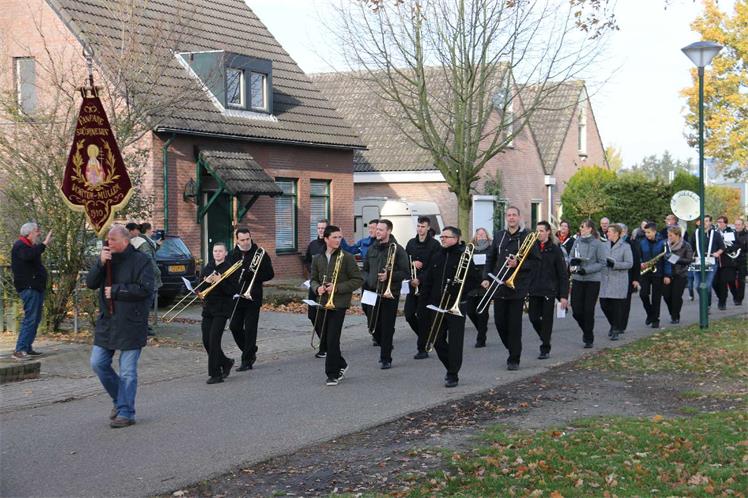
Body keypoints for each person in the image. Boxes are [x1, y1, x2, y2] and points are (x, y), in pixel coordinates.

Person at [86, 224, 153, 428]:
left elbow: (145, 289)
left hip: (131, 322)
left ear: (125, 241)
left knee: (127, 371)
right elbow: (91, 283)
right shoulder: (106, 260)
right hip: (108, 322)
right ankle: (120, 400)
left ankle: (126, 413)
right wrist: (100, 264)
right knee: (98, 363)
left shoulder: (142, 260)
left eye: (113, 239)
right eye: (108, 239)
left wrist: (116, 291)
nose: (109, 243)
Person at [420, 227, 480, 387]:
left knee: (455, 342)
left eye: (446, 237)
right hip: (437, 304)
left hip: (457, 304)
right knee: (436, 339)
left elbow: (475, 280)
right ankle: (451, 366)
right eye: (442, 237)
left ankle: (453, 374)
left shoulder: (464, 256)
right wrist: (424, 301)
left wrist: (459, 289)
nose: (443, 239)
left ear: (456, 239)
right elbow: (429, 279)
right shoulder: (437, 255)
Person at [482, 206, 540, 370]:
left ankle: (514, 358)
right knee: (499, 322)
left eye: (514, 215)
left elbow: (536, 262)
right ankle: (513, 348)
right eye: (509, 215)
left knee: (514, 324)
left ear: (519, 217)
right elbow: (490, 258)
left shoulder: (527, 236)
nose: (511, 218)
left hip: (517, 287)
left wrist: (518, 264)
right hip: (499, 285)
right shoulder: (499, 236)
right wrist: (486, 277)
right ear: (506, 218)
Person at [310, 225, 363, 386]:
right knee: (326, 339)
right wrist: (317, 288)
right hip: (322, 303)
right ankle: (341, 364)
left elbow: (357, 280)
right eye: (334, 237)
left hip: (339, 303)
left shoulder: (347, 257)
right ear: (326, 239)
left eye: (340, 237)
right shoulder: (317, 258)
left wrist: (337, 287)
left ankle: (332, 374)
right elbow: (313, 279)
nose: (338, 240)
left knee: (333, 338)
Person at [363, 219, 409, 369]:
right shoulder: (372, 248)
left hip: (390, 293)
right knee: (372, 325)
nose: (377, 232)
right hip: (372, 291)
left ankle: (385, 358)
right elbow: (365, 269)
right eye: (377, 229)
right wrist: (368, 280)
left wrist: (389, 276)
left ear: (388, 231)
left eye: (381, 230)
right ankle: (385, 344)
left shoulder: (398, 250)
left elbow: (405, 272)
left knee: (387, 326)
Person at [229, 228, 274, 371]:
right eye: (242, 240)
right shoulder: (232, 255)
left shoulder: (260, 253)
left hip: (253, 296)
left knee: (250, 329)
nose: (246, 242)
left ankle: (247, 360)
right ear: (237, 240)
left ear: (250, 237)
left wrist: (254, 276)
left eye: (247, 239)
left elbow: (270, 274)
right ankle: (250, 349)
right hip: (237, 297)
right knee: (234, 327)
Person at [10, 222, 52, 360]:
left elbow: (32, 255)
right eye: (36, 231)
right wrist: (44, 244)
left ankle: (27, 347)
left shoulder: (29, 246)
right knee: (30, 318)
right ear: (29, 233)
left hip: (35, 287)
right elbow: (28, 256)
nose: (38, 234)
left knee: (35, 318)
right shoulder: (20, 246)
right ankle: (20, 350)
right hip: (29, 287)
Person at [527, 221, 568, 359]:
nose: (539, 233)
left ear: (548, 232)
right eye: (537, 231)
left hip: (549, 290)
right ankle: (545, 337)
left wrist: (563, 296)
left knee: (547, 320)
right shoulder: (532, 248)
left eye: (542, 231)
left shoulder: (555, 250)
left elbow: (562, 274)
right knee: (533, 318)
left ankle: (545, 348)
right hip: (534, 289)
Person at [199, 242, 237, 384]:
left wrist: (220, 281)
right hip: (208, 308)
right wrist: (206, 282)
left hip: (222, 309)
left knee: (214, 340)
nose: (217, 253)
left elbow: (233, 290)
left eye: (220, 251)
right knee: (206, 340)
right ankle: (226, 362)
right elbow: (200, 288)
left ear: (225, 253)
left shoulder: (230, 269)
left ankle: (216, 374)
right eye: (215, 251)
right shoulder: (208, 267)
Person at [405, 216, 440, 359]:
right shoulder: (411, 243)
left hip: (427, 286)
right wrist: (412, 264)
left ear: (428, 228)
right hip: (412, 286)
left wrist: (420, 279)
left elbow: (434, 267)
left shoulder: (435, 245)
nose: (420, 229)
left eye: (423, 226)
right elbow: (404, 262)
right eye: (418, 226)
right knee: (409, 315)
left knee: (423, 317)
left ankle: (422, 349)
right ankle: (426, 336)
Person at [569, 219, 607, 348]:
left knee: (588, 310)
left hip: (592, 280)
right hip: (577, 279)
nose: (581, 229)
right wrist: (573, 263)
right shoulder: (577, 241)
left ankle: (588, 337)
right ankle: (586, 330)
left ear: (590, 229)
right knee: (576, 310)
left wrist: (587, 270)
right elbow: (571, 256)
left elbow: (602, 263)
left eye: (583, 227)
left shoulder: (598, 244)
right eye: (580, 227)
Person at [599, 224, 633, 341]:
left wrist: (615, 264)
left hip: (618, 280)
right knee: (604, 304)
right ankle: (614, 324)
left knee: (616, 306)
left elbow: (629, 263)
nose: (607, 233)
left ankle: (615, 329)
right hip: (605, 280)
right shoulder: (604, 245)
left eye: (609, 231)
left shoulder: (625, 246)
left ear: (616, 233)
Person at [129, 222, 162, 336]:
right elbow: (149, 258)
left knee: (143, 303)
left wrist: (157, 245)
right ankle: (143, 326)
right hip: (146, 277)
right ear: (147, 230)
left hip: (139, 276)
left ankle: (142, 325)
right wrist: (157, 271)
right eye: (152, 229)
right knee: (146, 302)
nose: (153, 232)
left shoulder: (141, 241)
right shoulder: (143, 243)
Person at [304, 218, 328, 357]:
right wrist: (312, 271)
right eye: (319, 228)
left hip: (325, 286)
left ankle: (325, 346)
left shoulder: (330, 245)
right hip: (313, 285)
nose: (320, 230)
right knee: (312, 315)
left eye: (323, 228)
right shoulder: (312, 244)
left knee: (324, 317)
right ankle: (324, 342)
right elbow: (307, 260)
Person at [662, 226, 693, 324]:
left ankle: (675, 316)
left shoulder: (686, 245)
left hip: (680, 274)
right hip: (667, 274)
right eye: (668, 235)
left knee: (676, 297)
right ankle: (673, 312)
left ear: (678, 235)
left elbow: (689, 260)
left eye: (671, 235)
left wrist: (675, 259)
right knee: (666, 296)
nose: (669, 237)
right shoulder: (665, 244)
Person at [466, 227, 491, 348]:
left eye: (483, 235)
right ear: (475, 237)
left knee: (482, 313)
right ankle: (482, 329)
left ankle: (481, 338)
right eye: (479, 235)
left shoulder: (491, 249)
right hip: (472, 285)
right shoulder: (470, 249)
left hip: (486, 285)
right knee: (470, 311)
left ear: (487, 236)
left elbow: (492, 265)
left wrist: (487, 279)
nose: (481, 237)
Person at [692, 215, 724, 310]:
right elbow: (691, 247)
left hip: (711, 262)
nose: (704, 223)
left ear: (710, 222)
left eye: (706, 221)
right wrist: (690, 256)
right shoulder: (696, 233)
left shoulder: (716, 234)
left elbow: (722, 247)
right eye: (703, 221)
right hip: (698, 261)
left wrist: (717, 253)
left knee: (707, 285)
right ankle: (706, 301)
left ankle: (706, 305)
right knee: (697, 285)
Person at [639, 222, 666, 329]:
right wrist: (641, 263)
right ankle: (650, 314)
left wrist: (667, 274)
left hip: (658, 272)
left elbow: (666, 259)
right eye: (645, 232)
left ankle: (655, 319)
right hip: (645, 271)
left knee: (656, 297)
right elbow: (639, 255)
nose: (647, 234)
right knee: (643, 294)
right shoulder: (642, 242)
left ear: (654, 231)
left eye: (649, 232)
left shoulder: (663, 242)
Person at [619, 223, 641, 333]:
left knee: (625, 302)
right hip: (615, 278)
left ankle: (621, 325)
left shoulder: (631, 243)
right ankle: (615, 323)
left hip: (628, 276)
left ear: (623, 231)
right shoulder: (612, 243)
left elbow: (636, 262)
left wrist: (636, 279)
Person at [714, 216, 739, 310]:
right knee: (716, 283)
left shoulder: (729, 232)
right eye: (718, 222)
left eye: (721, 222)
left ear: (725, 223)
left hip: (727, 261)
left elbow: (733, 246)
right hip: (716, 261)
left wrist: (723, 249)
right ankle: (721, 298)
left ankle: (725, 301)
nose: (719, 223)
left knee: (728, 282)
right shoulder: (715, 232)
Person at [732, 218, 747, 306]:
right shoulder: (732, 234)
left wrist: (736, 245)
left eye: (739, 225)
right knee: (730, 279)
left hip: (742, 260)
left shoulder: (746, 235)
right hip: (732, 260)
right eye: (736, 224)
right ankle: (735, 295)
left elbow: (743, 246)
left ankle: (739, 299)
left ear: (743, 226)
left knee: (741, 280)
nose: (737, 226)